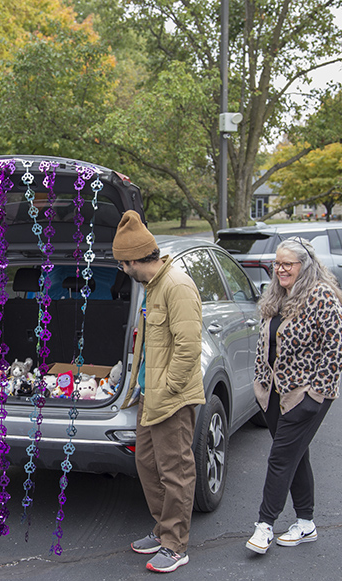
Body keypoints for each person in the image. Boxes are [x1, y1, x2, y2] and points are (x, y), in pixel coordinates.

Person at [114, 210, 205, 573]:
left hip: (172, 398)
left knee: (176, 470)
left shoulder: (177, 286)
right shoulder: (152, 288)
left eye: (124, 264)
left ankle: (175, 545)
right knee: (147, 464)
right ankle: (162, 528)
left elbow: (188, 348)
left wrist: (165, 389)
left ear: (135, 260)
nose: (123, 271)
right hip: (148, 396)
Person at [246, 237, 342, 554]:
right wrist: (259, 383)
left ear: (304, 265)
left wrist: (315, 397)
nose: (281, 269)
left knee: (280, 458)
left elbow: (336, 352)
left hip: (305, 394)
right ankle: (306, 523)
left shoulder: (322, 297)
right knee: (295, 456)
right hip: (273, 393)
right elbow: (267, 343)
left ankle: (264, 526)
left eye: (287, 264)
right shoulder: (277, 295)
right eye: (278, 263)